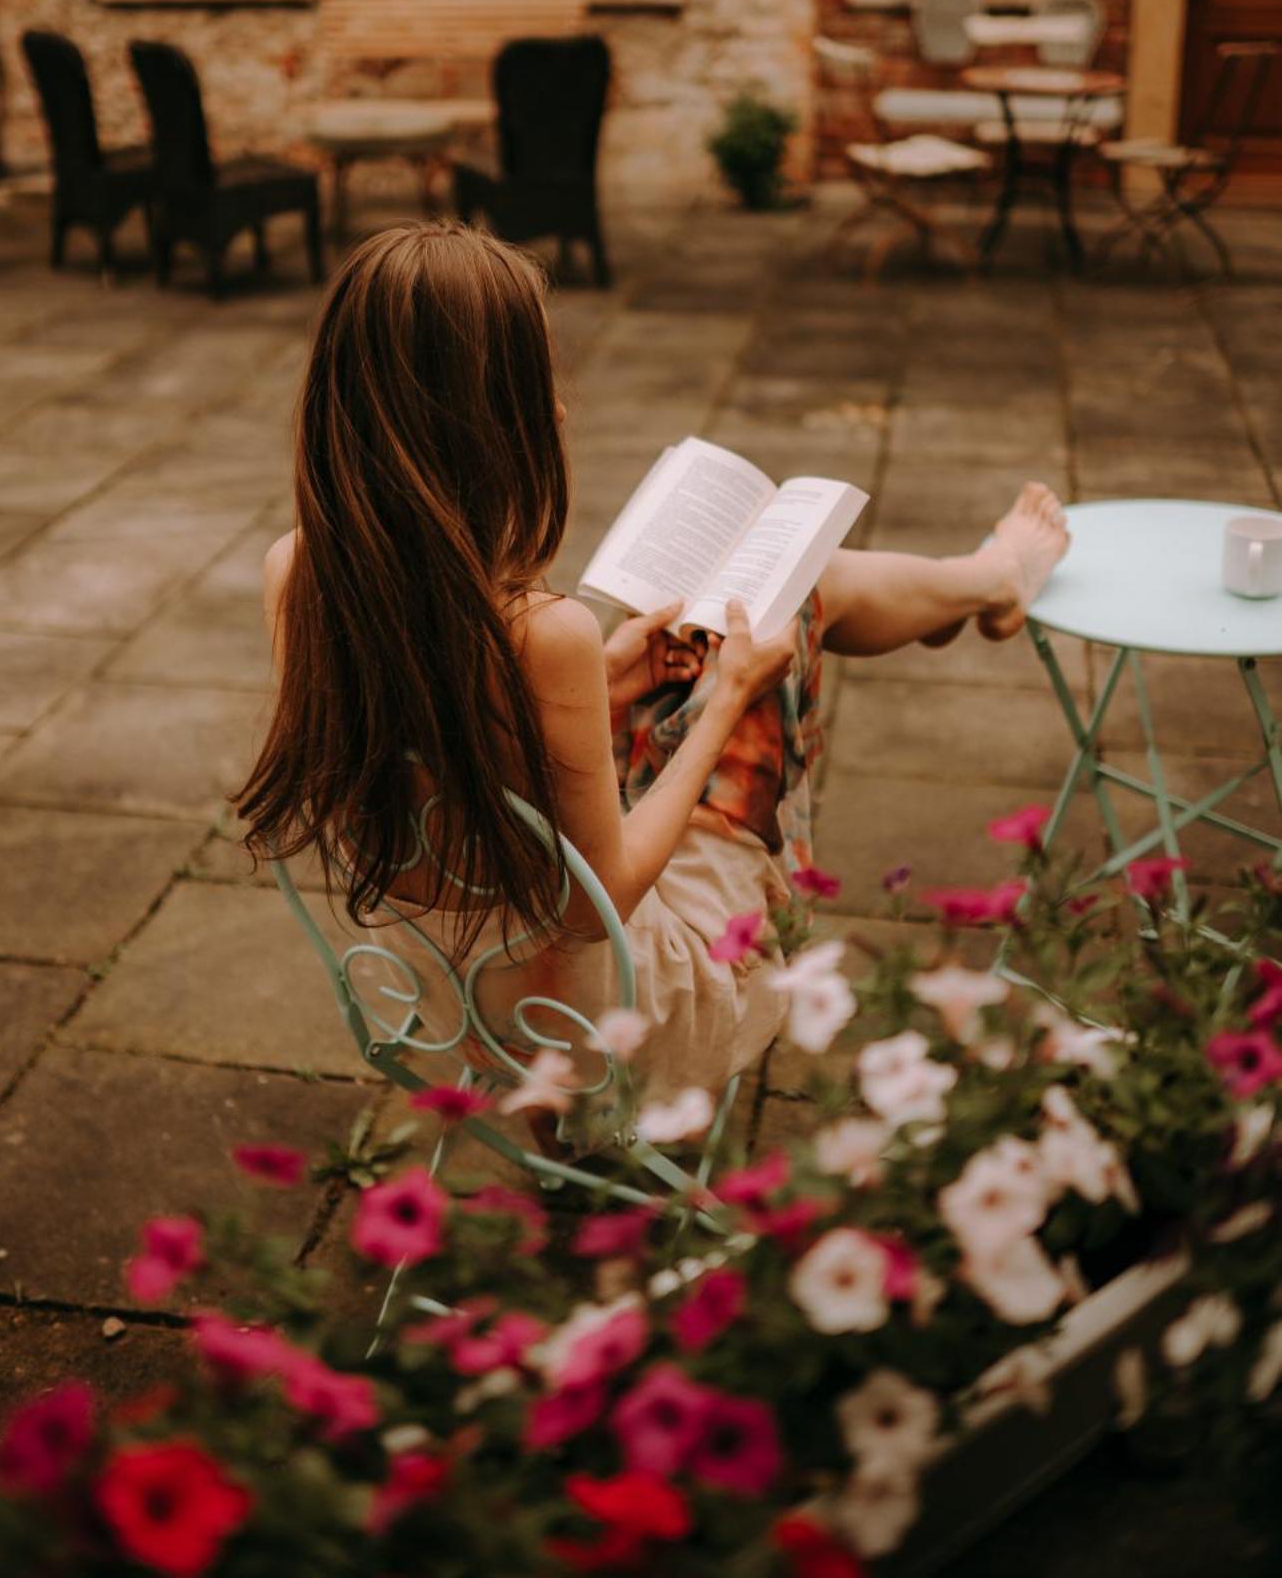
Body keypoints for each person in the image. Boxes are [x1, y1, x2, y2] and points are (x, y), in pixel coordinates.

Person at [234, 223, 1068, 1102]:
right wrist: (727, 701)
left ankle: (970, 589)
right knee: (792, 591)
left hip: (440, 993)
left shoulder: (294, 572)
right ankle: (985, 582)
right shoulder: (539, 632)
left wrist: (600, 684)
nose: (557, 410)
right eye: (535, 385)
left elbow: (432, 748)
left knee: (696, 624)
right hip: (613, 1012)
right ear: (481, 422)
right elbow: (599, 906)